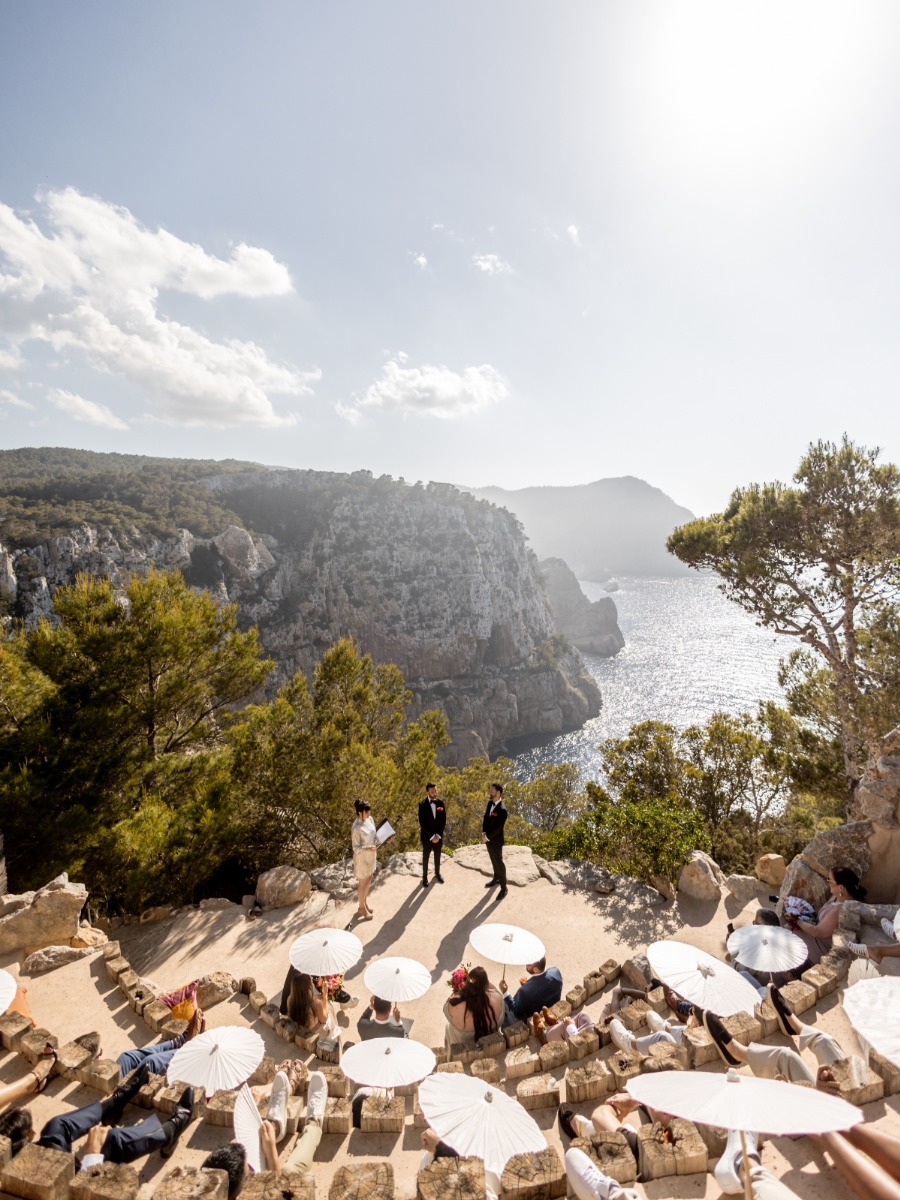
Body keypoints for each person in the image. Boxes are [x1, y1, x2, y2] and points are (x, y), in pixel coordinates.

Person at [2, 1064, 195, 1165]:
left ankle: (112, 1106)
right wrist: (92, 1154)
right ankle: (170, 1130)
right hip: (59, 1187)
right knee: (112, 1141)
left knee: (57, 1125)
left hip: (27, 1167)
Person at [782, 867, 867, 964]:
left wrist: (796, 920)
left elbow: (818, 932)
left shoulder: (840, 910)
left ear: (841, 888)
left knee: (786, 932)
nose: (827, 882)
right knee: (787, 928)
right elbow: (821, 910)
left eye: (830, 880)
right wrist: (800, 910)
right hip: (815, 933)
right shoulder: (836, 896)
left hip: (819, 946)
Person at [443, 965, 503, 1049]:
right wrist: (478, 981)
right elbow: (494, 989)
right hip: (493, 1043)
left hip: (466, 1048)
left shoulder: (454, 1006)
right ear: (486, 985)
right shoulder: (498, 998)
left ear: (467, 985)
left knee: (448, 1027)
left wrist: (462, 991)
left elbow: (445, 1008)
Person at [498, 958, 562, 1026]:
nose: (526, 964)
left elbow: (516, 1013)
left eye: (529, 964)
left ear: (535, 969)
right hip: (550, 1010)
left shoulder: (524, 991)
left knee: (503, 1004)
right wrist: (528, 985)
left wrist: (505, 992)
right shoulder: (556, 972)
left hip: (532, 1020)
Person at [280, 968, 338, 1036]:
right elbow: (324, 1020)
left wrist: (320, 995)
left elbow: (305, 999)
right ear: (308, 988)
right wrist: (325, 996)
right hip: (310, 1034)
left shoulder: (290, 999)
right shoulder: (316, 1003)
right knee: (330, 1007)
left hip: (298, 1030)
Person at [351, 799, 378, 919]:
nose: (369, 815)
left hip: (371, 857)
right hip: (362, 860)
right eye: (366, 812)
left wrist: (385, 839)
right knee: (363, 884)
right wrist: (367, 848)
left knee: (369, 879)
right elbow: (355, 848)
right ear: (359, 812)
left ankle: (364, 903)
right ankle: (361, 908)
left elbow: (374, 835)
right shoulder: (356, 828)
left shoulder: (369, 819)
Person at [482, 783, 508, 900]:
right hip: (487, 839)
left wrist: (487, 837)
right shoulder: (489, 803)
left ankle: (504, 888)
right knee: (493, 860)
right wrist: (483, 833)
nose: (490, 792)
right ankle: (496, 878)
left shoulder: (502, 809)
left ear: (498, 793)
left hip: (496, 841)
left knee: (499, 863)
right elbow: (485, 819)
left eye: (492, 790)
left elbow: (499, 828)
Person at [419, 782, 446, 888]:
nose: (434, 793)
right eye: (432, 791)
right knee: (425, 857)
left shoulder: (440, 803)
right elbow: (422, 823)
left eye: (435, 791)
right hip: (426, 837)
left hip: (438, 837)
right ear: (427, 792)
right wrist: (431, 836)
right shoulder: (422, 805)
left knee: (437, 856)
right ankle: (424, 878)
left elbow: (443, 820)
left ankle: (437, 873)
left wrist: (438, 835)